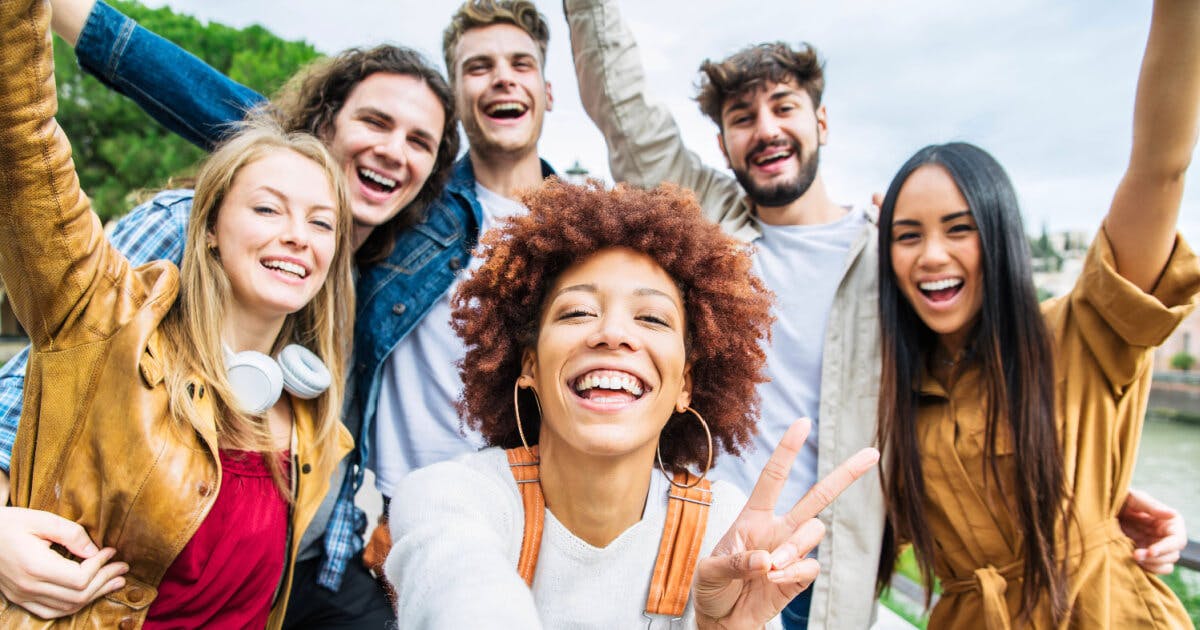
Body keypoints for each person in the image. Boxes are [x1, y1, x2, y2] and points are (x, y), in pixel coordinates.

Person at [564, 2, 1194, 627]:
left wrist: (1089, 493)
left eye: (784, 107)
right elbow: (628, 118)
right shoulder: (706, 229)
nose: (765, 129)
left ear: (823, 122)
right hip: (700, 548)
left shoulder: (891, 262)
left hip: (831, 569)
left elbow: (986, 377)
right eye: (741, 117)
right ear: (723, 143)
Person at [18, 0, 564, 573]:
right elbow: (252, 126)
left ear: (548, 90)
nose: (502, 77)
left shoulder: (582, 224)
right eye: (478, 66)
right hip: (368, 532)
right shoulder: (427, 210)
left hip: (513, 514)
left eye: (521, 64)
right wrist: (68, 15)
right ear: (459, 98)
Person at [0, 0, 357, 625]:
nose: (299, 235)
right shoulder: (105, 319)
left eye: (320, 222)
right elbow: (21, 141)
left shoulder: (311, 423)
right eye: (268, 209)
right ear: (211, 227)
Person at [383, 179, 879, 628]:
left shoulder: (727, 534)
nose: (614, 333)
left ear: (686, 384)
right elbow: (460, 590)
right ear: (528, 366)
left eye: (653, 319)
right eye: (578, 311)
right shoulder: (450, 498)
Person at [874, 0, 1200, 626]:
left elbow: (1161, 168)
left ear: (998, 234)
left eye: (959, 228)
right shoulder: (895, 394)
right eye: (907, 235)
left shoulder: (1083, 333)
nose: (931, 255)